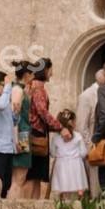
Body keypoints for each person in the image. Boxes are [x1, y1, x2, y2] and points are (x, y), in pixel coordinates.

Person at [26, 58, 69, 200]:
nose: (52, 73)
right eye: (50, 70)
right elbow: (42, 112)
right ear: (45, 70)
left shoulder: (33, 87)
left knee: (35, 177)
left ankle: (35, 206)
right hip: (37, 135)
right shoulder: (39, 90)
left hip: (35, 133)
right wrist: (60, 127)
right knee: (33, 176)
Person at [75, 68, 105, 196]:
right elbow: (81, 125)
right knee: (94, 187)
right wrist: (90, 147)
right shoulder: (87, 96)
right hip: (93, 148)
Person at [7, 61, 34, 199]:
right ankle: (13, 206)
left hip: (22, 133)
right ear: (26, 74)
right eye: (32, 73)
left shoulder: (18, 89)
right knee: (19, 177)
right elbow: (14, 115)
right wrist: (16, 139)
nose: (33, 76)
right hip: (21, 134)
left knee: (19, 177)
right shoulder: (17, 90)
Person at [49, 109, 90, 198]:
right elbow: (83, 152)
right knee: (78, 188)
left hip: (61, 165)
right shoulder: (78, 136)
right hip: (76, 165)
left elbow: (52, 153)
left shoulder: (56, 137)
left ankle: (63, 204)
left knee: (63, 189)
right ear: (73, 123)